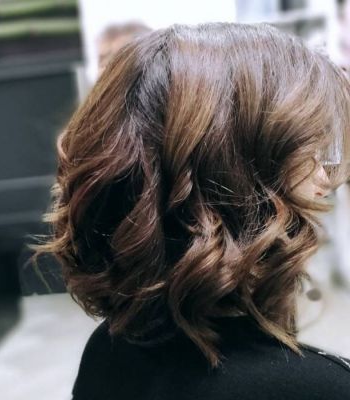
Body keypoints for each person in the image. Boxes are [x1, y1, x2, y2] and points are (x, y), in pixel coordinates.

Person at [33, 22, 350, 399]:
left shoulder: (107, 350)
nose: (323, 178)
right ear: (241, 169)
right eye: (306, 151)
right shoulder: (316, 389)